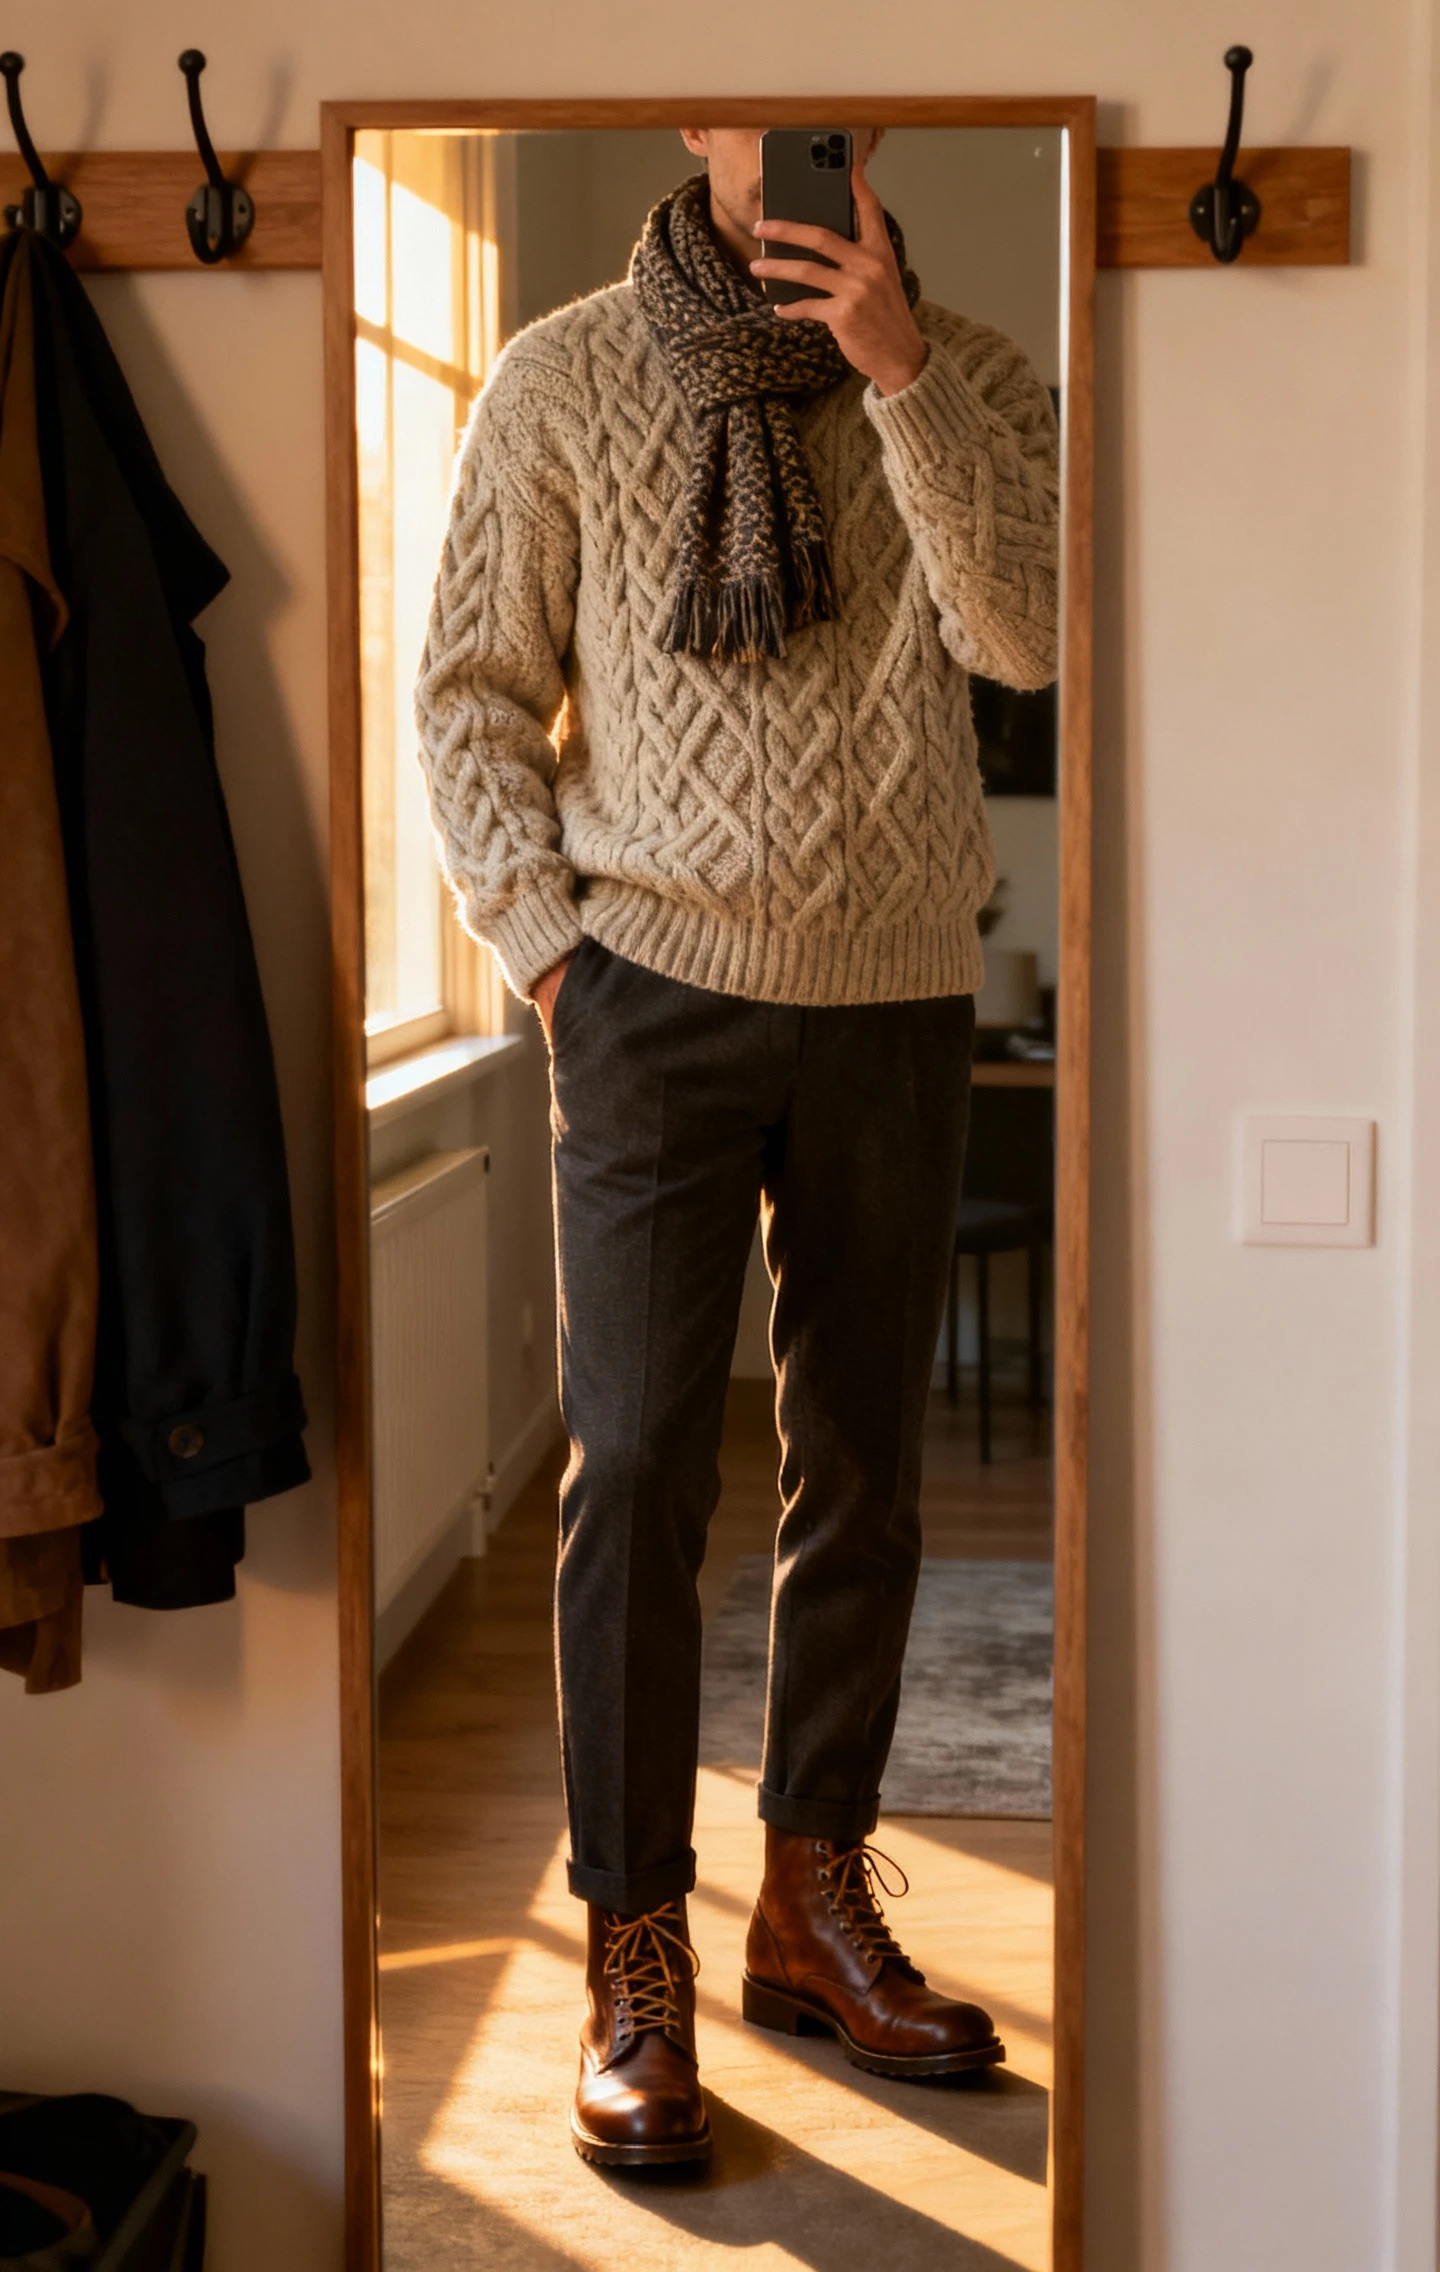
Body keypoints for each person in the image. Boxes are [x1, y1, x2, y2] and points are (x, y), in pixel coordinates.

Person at [416, 126, 1059, 2172]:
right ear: (698, 126)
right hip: (649, 1000)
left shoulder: (969, 364)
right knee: (638, 1464)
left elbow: (1029, 638)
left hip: (893, 990)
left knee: (862, 1466)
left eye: (831, 108)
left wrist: (902, 380)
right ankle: (631, 1942)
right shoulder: (556, 376)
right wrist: (548, 959)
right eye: (756, 100)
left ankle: (809, 1897)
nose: (791, 126)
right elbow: (468, 695)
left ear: (871, 141)